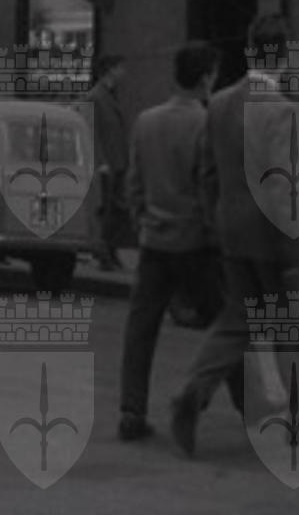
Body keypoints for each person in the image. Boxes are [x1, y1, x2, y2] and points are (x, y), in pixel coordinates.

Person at [168, 14, 299, 460]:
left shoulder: (220, 103)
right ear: (284, 55)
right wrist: (296, 250)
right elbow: (281, 185)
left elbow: (207, 172)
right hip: (271, 235)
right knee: (288, 325)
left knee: (237, 320)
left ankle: (193, 390)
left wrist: (218, 221)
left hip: (232, 231)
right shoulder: (281, 110)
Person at [118, 43, 226, 442]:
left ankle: (131, 409)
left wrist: (142, 221)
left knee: (140, 328)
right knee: (225, 325)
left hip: (154, 240)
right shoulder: (207, 123)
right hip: (195, 243)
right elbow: (208, 185)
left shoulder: (146, 121)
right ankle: (249, 404)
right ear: (206, 78)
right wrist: (214, 234)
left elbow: (134, 183)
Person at [88, 53, 130, 270]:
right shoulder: (95, 97)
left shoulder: (111, 95)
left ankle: (110, 249)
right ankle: (103, 252)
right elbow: (91, 131)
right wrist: (100, 160)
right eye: (119, 68)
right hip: (107, 163)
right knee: (107, 210)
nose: (123, 72)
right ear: (110, 70)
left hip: (118, 160)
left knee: (117, 209)